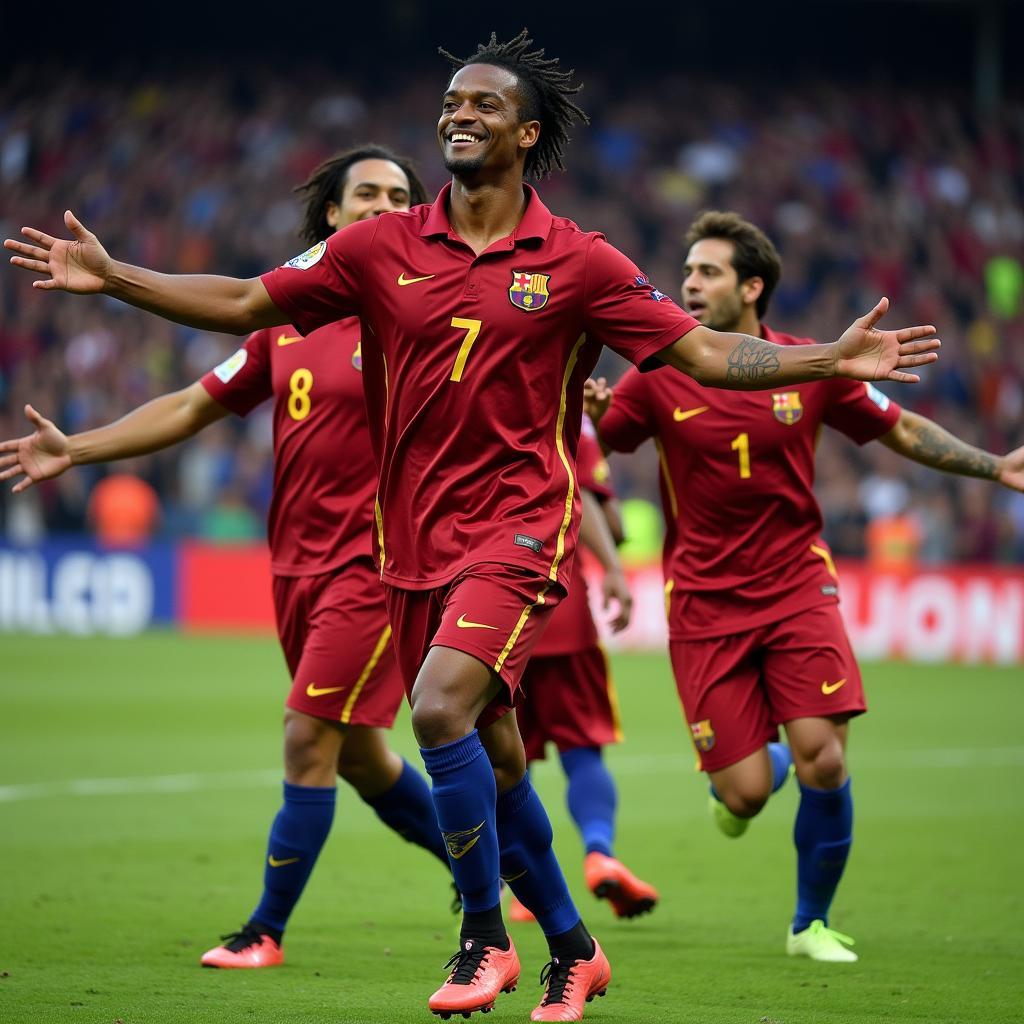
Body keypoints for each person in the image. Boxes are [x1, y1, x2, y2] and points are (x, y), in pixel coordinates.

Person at [4, 31, 941, 1020]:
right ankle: (573, 950)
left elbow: (705, 355)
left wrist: (822, 362)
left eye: (484, 104)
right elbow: (244, 301)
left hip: (520, 530)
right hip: (408, 543)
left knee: (439, 709)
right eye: (451, 101)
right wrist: (118, 279)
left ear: (526, 133)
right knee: (494, 761)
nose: (459, 113)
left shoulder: (577, 261)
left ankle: (482, 939)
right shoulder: (378, 245)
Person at [1, 145, 455, 970]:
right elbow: (189, 404)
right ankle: (493, 872)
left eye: (401, 195)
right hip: (295, 569)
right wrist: (79, 450)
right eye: (367, 193)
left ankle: (264, 931)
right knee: (357, 754)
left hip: (378, 568)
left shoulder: (422, 318)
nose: (385, 204)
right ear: (331, 214)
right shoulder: (288, 320)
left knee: (305, 737)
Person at [587, 210, 1024, 964]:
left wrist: (995, 467)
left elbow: (904, 430)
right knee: (746, 794)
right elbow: (600, 442)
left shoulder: (815, 366)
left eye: (708, 272)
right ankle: (752, 773)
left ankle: (809, 924)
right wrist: (591, 412)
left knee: (826, 756)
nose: (689, 283)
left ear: (752, 287)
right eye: (687, 271)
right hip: (702, 602)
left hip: (797, 586)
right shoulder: (657, 376)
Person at [510, 420, 659, 924]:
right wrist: (614, 565)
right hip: (559, 604)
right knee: (582, 748)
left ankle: (522, 880)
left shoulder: (459, 379)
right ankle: (599, 851)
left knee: (506, 757)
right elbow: (597, 510)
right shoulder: (570, 407)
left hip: (483, 607)